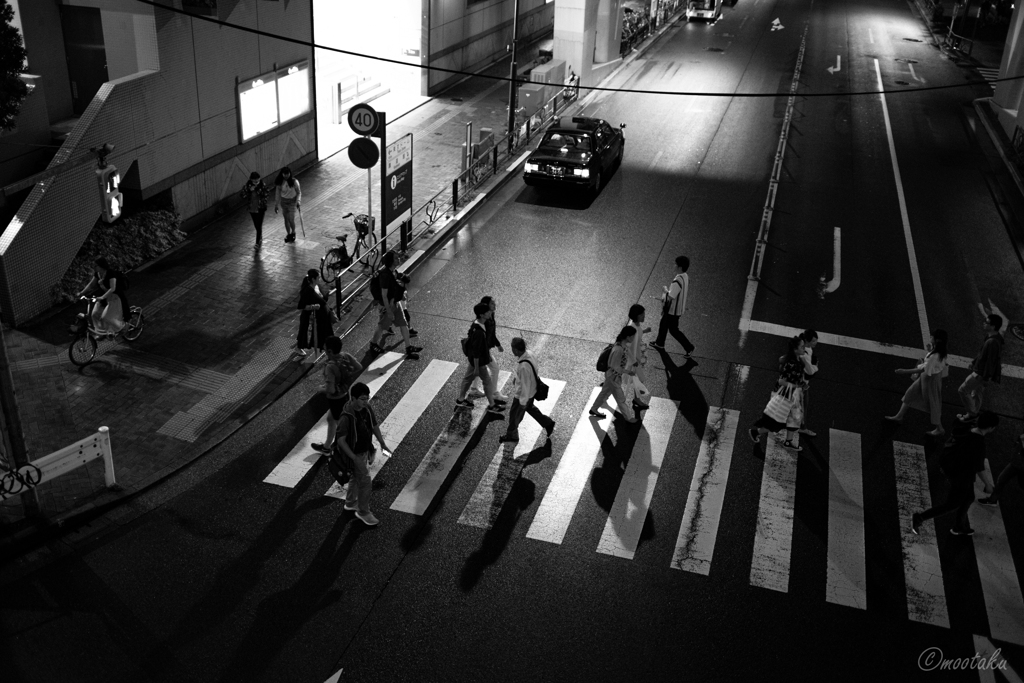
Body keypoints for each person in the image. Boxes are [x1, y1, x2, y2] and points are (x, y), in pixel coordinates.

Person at [912, 411, 998, 537]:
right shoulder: (978, 444)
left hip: (953, 467)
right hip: (961, 475)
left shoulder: (968, 429)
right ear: (991, 428)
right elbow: (979, 468)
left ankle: (959, 526)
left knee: (968, 497)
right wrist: (988, 485)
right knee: (952, 504)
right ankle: (919, 518)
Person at [335, 381, 392, 527]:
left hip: (364, 450)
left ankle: (350, 502)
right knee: (366, 482)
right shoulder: (346, 417)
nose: (365, 402)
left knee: (356, 477)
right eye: (362, 399)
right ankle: (363, 512)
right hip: (354, 455)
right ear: (352, 399)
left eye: (367, 398)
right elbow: (341, 441)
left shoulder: (366, 408)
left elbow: (373, 425)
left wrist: (382, 444)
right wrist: (354, 459)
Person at [748, 336, 811, 452]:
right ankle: (755, 432)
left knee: (794, 419)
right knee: (777, 422)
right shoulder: (791, 363)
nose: (804, 348)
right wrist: (796, 386)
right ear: (795, 349)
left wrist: (802, 384)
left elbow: (795, 378)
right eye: (802, 346)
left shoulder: (798, 361)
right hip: (786, 397)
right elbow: (781, 381)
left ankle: (788, 441)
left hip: (793, 396)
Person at [885, 329, 949, 436]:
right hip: (928, 377)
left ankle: (940, 428)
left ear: (937, 340)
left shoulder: (934, 356)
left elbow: (922, 369)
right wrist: (930, 350)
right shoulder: (940, 351)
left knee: (932, 405)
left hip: (930, 380)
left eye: (932, 337)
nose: (930, 338)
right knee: (910, 393)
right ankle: (899, 416)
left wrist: (904, 371)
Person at [312, 336, 363, 454]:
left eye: (324, 350)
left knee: (343, 428)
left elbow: (330, 390)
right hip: (344, 395)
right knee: (331, 419)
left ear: (330, 351)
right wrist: (346, 378)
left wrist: (321, 389)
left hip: (335, 400)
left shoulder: (330, 366)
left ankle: (358, 448)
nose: (324, 352)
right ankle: (326, 447)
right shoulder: (345, 356)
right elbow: (359, 367)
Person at [499, 337, 556, 443]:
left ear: (515, 349)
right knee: (530, 409)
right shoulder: (529, 353)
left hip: (523, 395)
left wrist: (522, 402)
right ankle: (547, 423)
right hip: (532, 390)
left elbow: (525, 385)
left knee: (514, 416)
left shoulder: (523, 366)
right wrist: (517, 379)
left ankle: (511, 435)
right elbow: (530, 375)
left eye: (512, 348)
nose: (511, 350)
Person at [369, 252, 421, 359]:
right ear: (391, 261)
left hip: (394, 303)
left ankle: (408, 347)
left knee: (403, 323)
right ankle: (373, 344)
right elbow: (384, 295)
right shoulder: (385, 275)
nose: (399, 259)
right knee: (382, 326)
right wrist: (388, 311)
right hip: (387, 305)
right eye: (396, 258)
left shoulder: (393, 272)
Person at [456, 302, 505, 416]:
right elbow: (477, 352)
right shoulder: (478, 331)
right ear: (482, 315)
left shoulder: (477, 324)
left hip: (473, 359)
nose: (490, 312)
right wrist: (477, 368)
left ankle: (460, 400)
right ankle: (492, 405)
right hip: (478, 361)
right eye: (488, 311)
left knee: (467, 379)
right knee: (487, 382)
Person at [958, 314, 1003, 422]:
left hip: (980, 373)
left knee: (963, 390)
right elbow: (983, 354)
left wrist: (986, 377)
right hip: (982, 372)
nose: (983, 323)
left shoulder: (992, 342)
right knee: (977, 393)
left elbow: (991, 361)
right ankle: (973, 415)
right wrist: (974, 362)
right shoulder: (992, 337)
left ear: (993, 326)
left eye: (986, 322)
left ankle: (972, 414)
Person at [589, 326, 637, 423]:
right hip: (613, 377)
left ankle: (594, 409)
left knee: (604, 393)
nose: (633, 338)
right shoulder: (619, 349)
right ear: (627, 337)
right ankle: (628, 418)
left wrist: (634, 361)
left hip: (612, 376)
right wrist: (628, 372)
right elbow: (615, 366)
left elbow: (627, 353)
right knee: (621, 399)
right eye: (632, 336)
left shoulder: (622, 345)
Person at [651, 255, 695, 357]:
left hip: (673, 310)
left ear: (679, 267)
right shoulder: (685, 276)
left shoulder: (677, 281)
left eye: (675, 264)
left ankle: (689, 347)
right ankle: (659, 343)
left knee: (673, 330)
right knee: (664, 324)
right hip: (678, 309)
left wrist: (665, 290)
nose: (673, 265)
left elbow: (671, 296)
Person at [76, 257, 128, 335]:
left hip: (114, 297)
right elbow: (91, 284)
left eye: (95, 266)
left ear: (101, 266)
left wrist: (102, 297)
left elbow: (112, 288)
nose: (94, 268)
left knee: (106, 317)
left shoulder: (110, 273)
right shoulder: (98, 273)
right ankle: (100, 332)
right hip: (103, 296)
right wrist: (82, 293)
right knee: (94, 314)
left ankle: (123, 326)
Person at [471, 295, 506, 402]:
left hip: (485, 349)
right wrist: (486, 353)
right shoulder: (484, 320)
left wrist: (498, 344)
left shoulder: (490, 315)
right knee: (494, 369)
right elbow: (482, 337)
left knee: (476, 368)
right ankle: (494, 393)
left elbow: (492, 332)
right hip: (482, 350)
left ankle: (473, 389)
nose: (494, 305)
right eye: (492, 303)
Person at [979, 427, 1024, 507]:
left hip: (1020, 465)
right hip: (1015, 463)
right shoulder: (1022, 437)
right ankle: (992, 500)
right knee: (1001, 479)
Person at [296, 269, 334, 356]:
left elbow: (322, 298)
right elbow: (301, 306)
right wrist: (314, 307)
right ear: (313, 279)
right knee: (305, 332)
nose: (320, 279)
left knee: (323, 331)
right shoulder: (308, 290)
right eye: (318, 277)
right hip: (310, 316)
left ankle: (325, 347)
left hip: (321, 316)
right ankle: (299, 347)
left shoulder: (317, 286)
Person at [626, 304, 652, 411]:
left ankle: (636, 399)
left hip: (637, 359)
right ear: (636, 315)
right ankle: (637, 400)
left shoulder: (636, 326)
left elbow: (638, 333)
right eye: (642, 315)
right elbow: (627, 347)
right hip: (634, 360)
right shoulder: (632, 328)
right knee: (639, 379)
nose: (644, 316)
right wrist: (633, 360)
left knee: (636, 380)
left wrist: (645, 331)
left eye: (644, 314)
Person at [797, 329, 819, 436]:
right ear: (807, 340)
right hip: (801, 384)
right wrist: (816, 366)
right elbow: (810, 371)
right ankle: (803, 427)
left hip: (796, 382)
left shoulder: (804, 347)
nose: (816, 342)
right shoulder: (804, 354)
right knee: (803, 406)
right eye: (814, 341)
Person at [240, 171, 270, 249]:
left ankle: (257, 242)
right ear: (251, 180)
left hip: (261, 208)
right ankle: (260, 236)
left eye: (258, 180)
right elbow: (242, 195)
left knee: (259, 225)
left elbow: (266, 194)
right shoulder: (248, 186)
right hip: (252, 208)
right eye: (254, 181)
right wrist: (249, 190)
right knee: (256, 225)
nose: (256, 182)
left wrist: (257, 189)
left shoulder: (262, 185)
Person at [274, 166, 301, 243]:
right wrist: (276, 204)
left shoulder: (294, 181)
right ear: (282, 174)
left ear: (290, 173)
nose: (286, 175)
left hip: (292, 202)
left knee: (291, 219)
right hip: (284, 202)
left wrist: (298, 201)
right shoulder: (280, 182)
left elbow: (299, 192)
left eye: (287, 174)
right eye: (284, 174)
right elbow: (277, 194)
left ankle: (293, 232)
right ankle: (288, 234)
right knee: (286, 219)